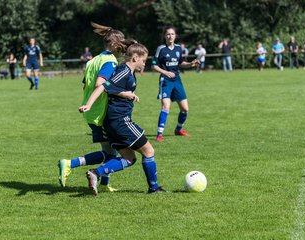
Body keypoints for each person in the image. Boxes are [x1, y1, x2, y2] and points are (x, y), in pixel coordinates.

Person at [79, 43, 166, 195]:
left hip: (114, 122)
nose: (144, 64)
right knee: (149, 151)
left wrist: (125, 93)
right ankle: (154, 188)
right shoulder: (124, 71)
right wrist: (88, 105)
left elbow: (114, 89)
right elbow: (103, 86)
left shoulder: (128, 72)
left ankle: (96, 173)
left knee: (129, 158)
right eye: (143, 60)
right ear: (135, 57)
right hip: (120, 121)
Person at [58, 22, 135, 192]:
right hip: (99, 113)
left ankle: (104, 183)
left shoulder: (94, 60)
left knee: (110, 151)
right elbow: (101, 84)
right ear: (115, 44)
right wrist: (124, 94)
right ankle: (70, 163)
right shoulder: (110, 62)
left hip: (91, 111)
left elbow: (86, 83)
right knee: (110, 154)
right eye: (121, 46)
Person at [151, 26, 199, 142]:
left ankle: (178, 129)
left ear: (175, 36)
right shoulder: (161, 49)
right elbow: (153, 66)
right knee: (166, 106)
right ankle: (159, 134)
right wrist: (165, 72)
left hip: (177, 80)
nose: (170, 36)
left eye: (172, 34)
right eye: (168, 34)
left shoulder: (178, 48)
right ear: (164, 36)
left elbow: (181, 63)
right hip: (165, 81)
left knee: (185, 109)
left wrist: (191, 64)